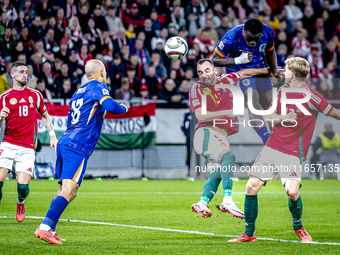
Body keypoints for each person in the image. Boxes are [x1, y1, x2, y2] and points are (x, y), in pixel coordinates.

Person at [228, 57, 340, 243]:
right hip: (273, 146)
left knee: (292, 192)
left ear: (292, 74)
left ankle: (299, 228)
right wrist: (282, 117)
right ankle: (249, 234)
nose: (282, 72)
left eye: (286, 69)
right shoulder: (282, 91)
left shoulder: (313, 98)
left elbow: (334, 113)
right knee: (251, 187)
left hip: (293, 152)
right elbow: (270, 117)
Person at [34, 60, 128, 245]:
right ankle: (44, 228)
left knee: (66, 190)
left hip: (66, 141)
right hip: (78, 145)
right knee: (69, 190)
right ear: (102, 72)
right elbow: (112, 107)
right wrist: (124, 107)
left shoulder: (78, 92)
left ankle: (51, 228)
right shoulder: (99, 87)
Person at [190, 59, 274, 218]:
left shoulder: (226, 80)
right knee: (228, 157)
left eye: (207, 70)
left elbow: (244, 73)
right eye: (200, 72)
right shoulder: (197, 87)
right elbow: (200, 115)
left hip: (217, 136)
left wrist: (267, 71)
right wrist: (229, 112)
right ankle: (228, 200)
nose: (204, 75)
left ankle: (202, 202)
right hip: (206, 132)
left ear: (215, 71)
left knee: (216, 175)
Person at [0, 61, 57, 222]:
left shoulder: (35, 95)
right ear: (13, 74)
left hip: (27, 147)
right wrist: (1, 117)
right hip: (8, 143)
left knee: (23, 188)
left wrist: (52, 134)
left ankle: (20, 202)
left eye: (26, 72)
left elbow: (45, 116)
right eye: (22, 72)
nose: (25, 75)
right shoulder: (4, 98)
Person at [212, 18, 281, 145]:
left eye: (256, 39)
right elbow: (214, 60)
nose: (253, 42)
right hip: (239, 71)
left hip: (259, 69)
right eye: (249, 39)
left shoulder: (268, 31)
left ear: (261, 34)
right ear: (244, 31)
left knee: (271, 106)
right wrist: (237, 60)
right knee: (254, 105)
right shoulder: (231, 37)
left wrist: (274, 69)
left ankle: (277, 141)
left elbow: (270, 51)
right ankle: (268, 143)